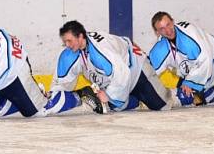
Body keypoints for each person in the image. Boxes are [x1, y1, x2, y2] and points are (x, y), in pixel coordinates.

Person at [46, 20, 176, 114]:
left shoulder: (101, 52)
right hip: (114, 77)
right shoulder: (70, 54)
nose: (67, 45)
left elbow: (122, 74)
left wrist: (108, 95)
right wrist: (54, 96)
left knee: (163, 106)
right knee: (109, 105)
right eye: (65, 42)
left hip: (136, 69)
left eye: (69, 41)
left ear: (80, 36)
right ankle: (134, 101)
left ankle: (181, 94)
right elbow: (63, 81)